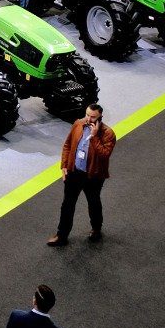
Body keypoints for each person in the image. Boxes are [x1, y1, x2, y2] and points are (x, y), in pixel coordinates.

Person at [48, 102, 116, 246]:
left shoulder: (108, 134)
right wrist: (64, 165)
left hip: (94, 176)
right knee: (67, 205)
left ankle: (96, 229)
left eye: (93, 117)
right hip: (75, 173)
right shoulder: (78, 124)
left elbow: (104, 155)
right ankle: (62, 235)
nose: (89, 119)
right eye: (87, 115)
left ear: (100, 117)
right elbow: (67, 145)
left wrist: (94, 136)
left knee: (93, 203)